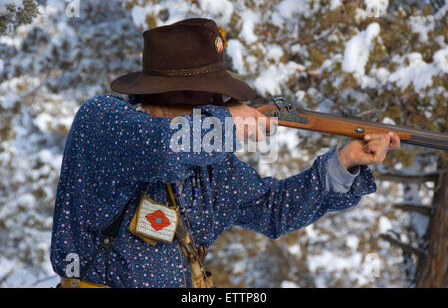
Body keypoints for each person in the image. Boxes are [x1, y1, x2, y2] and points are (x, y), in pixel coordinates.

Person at [50, 18, 400, 288]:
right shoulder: (103, 120)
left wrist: (346, 161)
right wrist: (229, 122)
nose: (219, 103)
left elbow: (276, 210)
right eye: (210, 97)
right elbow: (162, 148)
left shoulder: (211, 165)